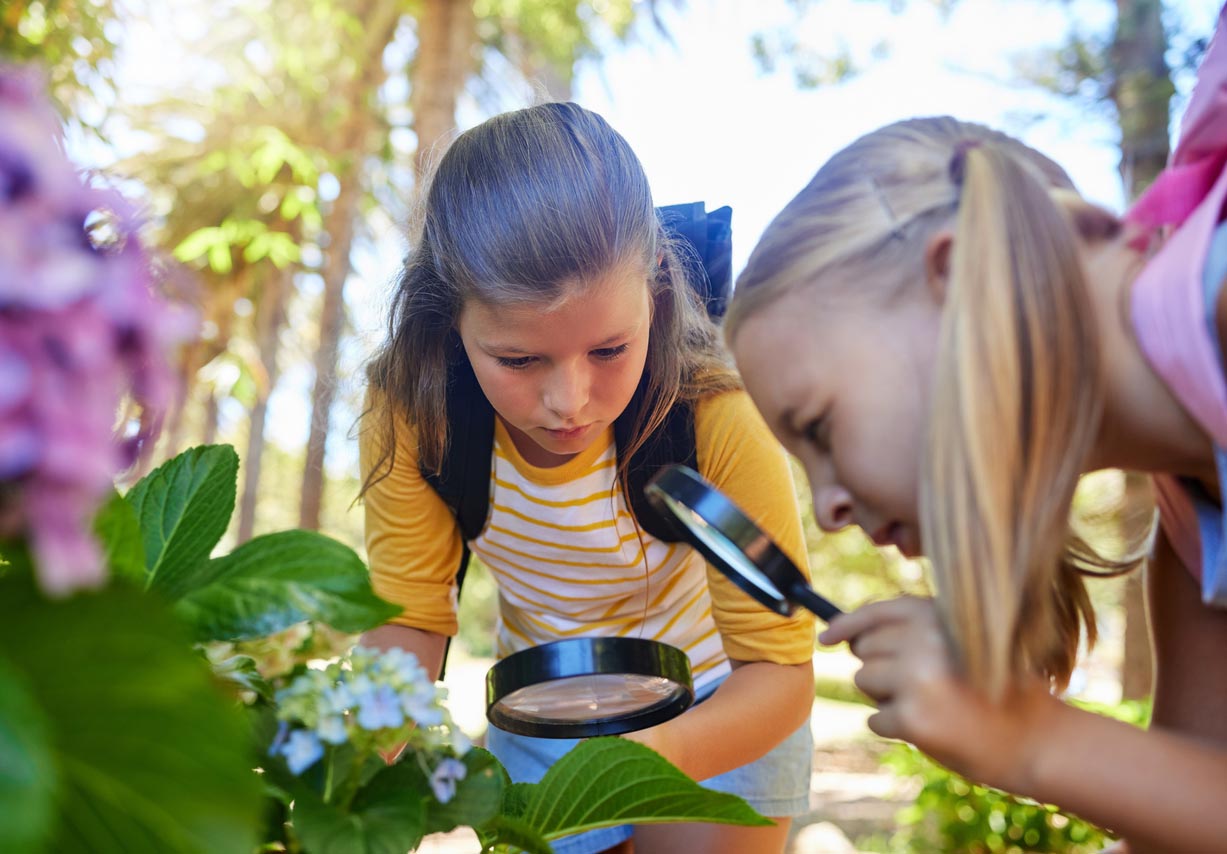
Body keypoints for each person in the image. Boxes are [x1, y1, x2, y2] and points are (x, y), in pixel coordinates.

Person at [724, 9, 1227, 852]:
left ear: (956, 280)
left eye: (816, 427)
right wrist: (1027, 741)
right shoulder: (1189, 526)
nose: (829, 510)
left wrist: (1035, 739)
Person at [357, 101, 816, 854]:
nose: (569, 403)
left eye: (609, 350)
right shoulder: (418, 410)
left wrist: (628, 770)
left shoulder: (713, 416)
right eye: (518, 359)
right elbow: (409, 618)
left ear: (656, 294)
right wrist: (362, 772)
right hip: (540, 712)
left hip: (722, 708)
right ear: (449, 323)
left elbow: (779, 672)